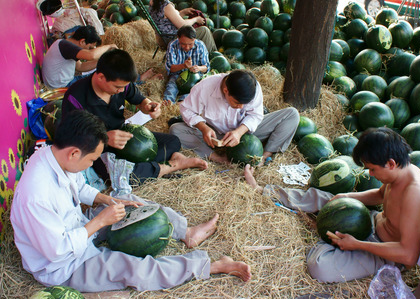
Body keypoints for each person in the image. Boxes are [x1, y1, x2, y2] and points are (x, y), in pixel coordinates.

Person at [10, 110, 251, 292]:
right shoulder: (36, 196)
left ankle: (186, 232)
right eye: (91, 159)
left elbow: (80, 187)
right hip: (64, 266)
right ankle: (210, 266)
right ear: (74, 153)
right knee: (134, 269)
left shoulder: (53, 154)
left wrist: (107, 199)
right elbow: (57, 251)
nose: (89, 165)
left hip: (78, 227)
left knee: (127, 200)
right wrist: (99, 222)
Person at [243, 127, 420, 283]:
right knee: (324, 198)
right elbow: (379, 195)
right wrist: (346, 196)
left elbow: (409, 255)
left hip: (385, 251)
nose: (370, 175)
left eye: (372, 169)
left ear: (391, 163)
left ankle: (329, 238)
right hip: (370, 220)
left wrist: (357, 244)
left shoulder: (415, 194)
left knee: (319, 267)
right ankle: (265, 190)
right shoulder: (401, 171)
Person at [62, 48, 208, 185]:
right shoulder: (75, 97)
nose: (121, 91)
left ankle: (145, 168)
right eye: (117, 87)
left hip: (125, 136)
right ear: (100, 77)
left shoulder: (123, 84)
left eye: (123, 87)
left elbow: (139, 100)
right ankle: (171, 166)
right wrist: (104, 137)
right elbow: (73, 137)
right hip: (99, 147)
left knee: (172, 142)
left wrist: (148, 106)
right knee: (120, 176)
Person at [169, 69, 300, 165]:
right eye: (237, 103)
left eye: (245, 104)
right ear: (226, 90)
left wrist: (239, 132)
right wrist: (203, 128)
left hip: (247, 133)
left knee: (292, 114)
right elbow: (186, 109)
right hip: (218, 136)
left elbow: (255, 114)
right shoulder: (205, 87)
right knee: (176, 130)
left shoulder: (253, 87)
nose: (241, 107)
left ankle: (264, 156)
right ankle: (219, 158)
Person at [42, 25, 117, 89]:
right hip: (60, 86)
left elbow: (80, 66)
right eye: (90, 47)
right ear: (82, 42)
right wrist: (109, 46)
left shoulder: (66, 44)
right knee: (102, 80)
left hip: (59, 83)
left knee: (99, 75)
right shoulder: (65, 46)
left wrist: (103, 61)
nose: (89, 50)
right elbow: (91, 55)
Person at [163, 25, 209, 105]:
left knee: (196, 89)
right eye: (183, 44)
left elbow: (206, 67)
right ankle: (168, 103)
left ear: (194, 39)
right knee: (171, 87)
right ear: (178, 38)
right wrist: (184, 66)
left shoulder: (200, 45)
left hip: (194, 77)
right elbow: (170, 68)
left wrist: (198, 68)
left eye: (190, 44)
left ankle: (182, 102)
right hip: (177, 75)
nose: (187, 47)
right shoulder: (172, 45)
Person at [149, 0, 217, 52]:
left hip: (163, 38)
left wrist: (183, 12)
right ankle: (210, 56)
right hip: (173, 38)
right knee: (204, 31)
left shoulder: (153, 2)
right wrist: (195, 19)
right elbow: (183, 25)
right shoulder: (166, 5)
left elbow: (166, 20)